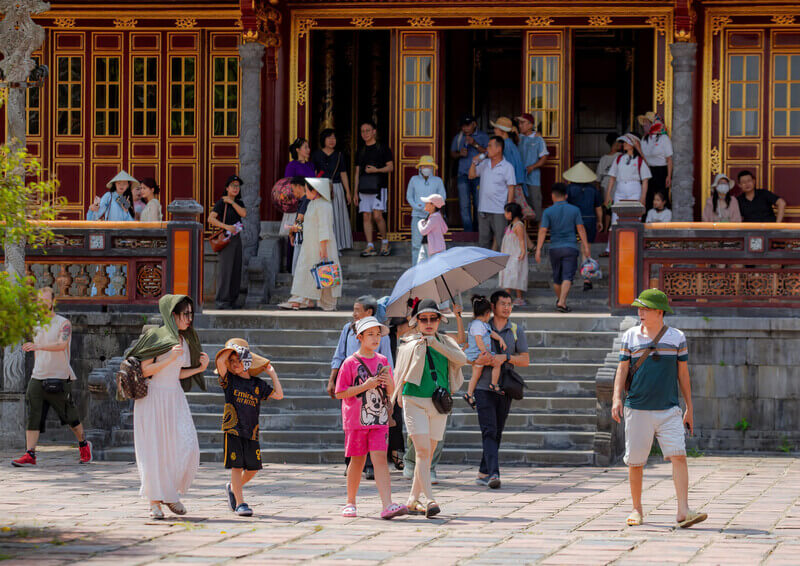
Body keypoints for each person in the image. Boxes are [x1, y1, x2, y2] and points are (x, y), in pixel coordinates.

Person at [611, 289, 708, 529]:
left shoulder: (677, 337)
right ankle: (636, 508)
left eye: (645, 308)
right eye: (639, 308)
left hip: (669, 409)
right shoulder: (630, 336)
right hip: (637, 408)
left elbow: (683, 374)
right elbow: (622, 369)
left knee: (679, 455)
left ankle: (683, 510)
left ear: (659, 311)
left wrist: (689, 407)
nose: (640, 312)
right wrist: (616, 398)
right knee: (635, 461)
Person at [126, 295, 209, 519]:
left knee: (186, 445)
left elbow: (179, 372)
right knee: (154, 450)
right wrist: (169, 358)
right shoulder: (156, 336)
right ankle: (155, 502)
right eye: (185, 314)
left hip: (175, 396)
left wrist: (199, 369)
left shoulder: (185, 339)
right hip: (153, 398)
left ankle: (170, 493)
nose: (189, 319)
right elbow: (144, 371)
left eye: (191, 314)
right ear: (173, 315)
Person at [393, 299, 467, 517]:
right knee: (423, 452)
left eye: (432, 319)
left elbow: (461, 359)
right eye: (423, 319)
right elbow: (400, 372)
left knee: (427, 454)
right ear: (416, 321)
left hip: (438, 403)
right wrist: (394, 397)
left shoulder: (445, 340)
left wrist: (435, 344)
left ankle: (412, 500)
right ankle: (430, 499)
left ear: (439, 320)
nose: (428, 323)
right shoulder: (409, 342)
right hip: (413, 399)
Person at [336, 316, 408, 520]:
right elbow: (340, 392)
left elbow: (391, 391)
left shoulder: (383, 361)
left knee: (380, 461)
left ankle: (387, 504)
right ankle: (350, 502)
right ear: (359, 337)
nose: (376, 338)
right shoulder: (349, 363)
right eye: (371, 334)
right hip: (355, 421)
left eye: (378, 334)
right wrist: (365, 386)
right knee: (357, 461)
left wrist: (388, 382)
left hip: (380, 420)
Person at [12, 288, 93, 468]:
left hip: (59, 376)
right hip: (38, 376)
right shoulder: (35, 323)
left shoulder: (63, 323)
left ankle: (83, 445)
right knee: (33, 415)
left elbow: (61, 344)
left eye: (45, 300)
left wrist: (38, 346)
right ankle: (30, 454)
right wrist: (37, 361)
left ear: (52, 301)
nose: (42, 304)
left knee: (70, 417)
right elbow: (35, 352)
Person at [328, 295, 396, 478]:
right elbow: (339, 355)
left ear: (369, 312)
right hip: (350, 384)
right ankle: (351, 463)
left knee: (373, 422)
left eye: (358, 310)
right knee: (354, 426)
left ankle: (371, 465)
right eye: (354, 309)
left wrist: (387, 385)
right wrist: (332, 378)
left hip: (375, 388)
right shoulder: (348, 329)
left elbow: (388, 362)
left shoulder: (381, 336)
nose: (354, 313)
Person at [216, 338, 283, 517]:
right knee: (236, 467)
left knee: (252, 469)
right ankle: (240, 503)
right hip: (233, 429)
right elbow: (220, 362)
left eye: (239, 360)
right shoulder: (228, 380)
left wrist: (272, 373)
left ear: (247, 361)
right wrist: (230, 350)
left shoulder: (257, 384)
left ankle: (232, 487)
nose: (235, 364)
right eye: (232, 361)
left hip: (252, 431)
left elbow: (279, 395)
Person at [474, 290, 529, 489]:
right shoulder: (481, 328)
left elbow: (525, 360)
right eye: (503, 304)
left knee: (497, 431)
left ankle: (483, 471)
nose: (507, 307)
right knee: (489, 430)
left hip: (504, 387)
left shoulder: (516, 330)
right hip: (482, 387)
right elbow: (470, 356)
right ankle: (494, 473)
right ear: (493, 306)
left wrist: (505, 358)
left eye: (509, 304)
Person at [280, 178, 341, 311]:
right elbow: (309, 224)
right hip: (310, 245)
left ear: (316, 191)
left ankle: (327, 303)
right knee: (306, 272)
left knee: (324, 273)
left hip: (320, 246)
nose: (305, 192)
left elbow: (324, 228)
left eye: (307, 190)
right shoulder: (313, 204)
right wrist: (295, 229)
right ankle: (299, 300)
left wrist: (323, 249)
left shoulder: (324, 206)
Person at [535, 183, 592, 313]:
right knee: (567, 276)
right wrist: (586, 246)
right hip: (570, 247)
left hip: (554, 247)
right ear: (566, 196)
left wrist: (538, 249)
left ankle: (561, 301)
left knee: (557, 277)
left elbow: (543, 230)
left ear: (552, 196)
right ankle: (562, 301)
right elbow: (580, 228)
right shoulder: (574, 210)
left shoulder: (548, 211)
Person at [603, 134, 651, 257]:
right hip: (620, 189)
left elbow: (645, 180)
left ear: (632, 145)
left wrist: (643, 197)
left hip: (635, 188)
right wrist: (608, 194)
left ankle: (635, 246)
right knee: (615, 218)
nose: (623, 145)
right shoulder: (619, 159)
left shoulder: (639, 160)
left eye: (625, 143)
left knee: (635, 218)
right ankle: (610, 248)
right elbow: (612, 178)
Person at [469, 136, 516, 250]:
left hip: (499, 210)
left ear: (498, 149)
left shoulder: (507, 167)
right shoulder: (485, 163)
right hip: (483, 209)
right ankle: (485, 267)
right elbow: (471, 175)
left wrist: (508, 208)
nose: (487, 148)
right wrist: (474, 163)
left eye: (490, 146)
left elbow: (511, 188)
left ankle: (505, 267)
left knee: (501, 240)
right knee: (483, 241)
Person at [355, 121, 394, 257]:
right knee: (366, 216)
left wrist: (376, 170)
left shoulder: (382, 148)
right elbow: (357, 172)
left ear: (374, 132)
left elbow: (390, 167)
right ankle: (370, 245)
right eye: (362, 131)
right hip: (363, 188)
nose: (365, 133)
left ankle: (385, 242)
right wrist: (355, 192)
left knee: (378, 216)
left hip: (379, 187)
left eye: (367, 130)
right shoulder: (360, 150)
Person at [208, 175, 247, 310]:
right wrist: (226, 226)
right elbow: (211, 219)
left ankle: (233, 299)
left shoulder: (239, 203)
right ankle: (222, 300)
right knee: (226, 270)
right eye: (233, 186)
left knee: (236, 268)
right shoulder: (221, 203)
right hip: (226, 238)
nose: (235, 188)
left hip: (236, 238)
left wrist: (232, 202)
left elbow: (243, 214)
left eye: (237, 186)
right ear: (227, 188)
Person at [462, 295, 506, 409]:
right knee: (497, 363)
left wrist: (500, 339)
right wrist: (485, 352)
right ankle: (494, 384)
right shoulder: (477, 325)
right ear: (487, 313)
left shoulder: (483, 325)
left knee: (476, 375)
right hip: (478, 354)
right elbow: (478, 339)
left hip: (479, 354)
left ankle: (469, 394)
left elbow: (491, 333)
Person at [312, 129, 353, 251]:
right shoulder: (316, 155)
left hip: (336, 187)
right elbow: (314, 173)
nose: (332, 140)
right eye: (329, 137)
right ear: (323, 139)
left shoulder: (339, 155)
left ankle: (338, 245)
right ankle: (324, 246)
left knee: (337, 216)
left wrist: (348, 192)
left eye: (334, 138)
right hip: (321, 188)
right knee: (324, 217)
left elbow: (343, 173)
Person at [450, 114, 489, 231]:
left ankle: (478, 231)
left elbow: (489, 153)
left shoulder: (483, 136)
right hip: (462, 175)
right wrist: (459, 154)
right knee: (464, 205)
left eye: (467, 126)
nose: (465, 129)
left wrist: (474, 144)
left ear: (474, 124)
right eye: (463, 126)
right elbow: (452, 153)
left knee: (478, 204)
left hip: (478, 176)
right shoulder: (458, 137)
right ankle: (468, 233)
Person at [407, 155, 447, 263]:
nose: (427, 168)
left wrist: (433, 207)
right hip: (417, 215)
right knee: (416, 245)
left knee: (433, 246)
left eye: (429, 166)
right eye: (424, 166)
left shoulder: (437, 180)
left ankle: (431, 271)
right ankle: (415, 271)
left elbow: (442, 196)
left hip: (432, 218)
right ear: (420, 167)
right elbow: (409, 196)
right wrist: (417, 206)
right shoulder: (414, 180)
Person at [491, 117, 531, 221]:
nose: (494, 130)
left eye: (496, 128)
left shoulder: (506, 146)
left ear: (502, 131)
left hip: (511, 185)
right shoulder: (510, 144)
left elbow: (508, 167)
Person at [517, 113, 549, 222]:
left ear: (531, 125)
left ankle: (539, 235)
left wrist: (533, 167)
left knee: (536, 206)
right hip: (519, 179)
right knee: (519, 208)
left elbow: (544, 158)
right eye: (519, 123)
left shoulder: (538, 139)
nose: (520, 125)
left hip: (533, 179)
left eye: (523, 123)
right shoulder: (517, 138)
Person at [638, 112, 673, 210]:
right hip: (648, 170)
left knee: (661, 196)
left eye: (647, 122)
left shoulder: (664, 138)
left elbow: (669, 159)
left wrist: (669, 176)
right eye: (644, 122)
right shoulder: (644, 139)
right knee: (649, 195)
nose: (644, 125)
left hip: (661, 170)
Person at [564, 162, 604, 244]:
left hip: (573, 219)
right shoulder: (593, 189)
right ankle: (585, 256)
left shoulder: (569, 189)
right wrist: (600, 221)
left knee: (571, 242)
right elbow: (598, 207)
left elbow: (564, 205)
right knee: (587, 242)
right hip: (590, 219)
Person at [498, 202, 528, 305]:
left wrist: (523, 251)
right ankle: (507, 298)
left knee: (516, 274)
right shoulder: (511, 225)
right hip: (508, 254)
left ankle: (519, 298)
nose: (505, 215)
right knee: (508, 275)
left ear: (511, 213)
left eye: (506, 212)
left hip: (515, 254)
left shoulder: (518, 225)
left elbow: (521, 240)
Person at [597, 133, 622, 233]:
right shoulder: (619, 157)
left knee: (609, 207)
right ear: (615, 143)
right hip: (612, 184)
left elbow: (598, 178)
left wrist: (599, 188)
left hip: (607, 184)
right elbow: (598, 177)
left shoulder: (606, 158)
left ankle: (607, 229)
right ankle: (608, 228)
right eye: (620, 143)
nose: (621, 145)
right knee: (610, 207)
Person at [286, 176, 310, 275]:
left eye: (293, 189)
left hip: (303, 239)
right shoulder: (306, 200)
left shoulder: (306, 200)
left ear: (299, 187)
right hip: (303, 238)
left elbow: (299, 220)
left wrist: (291, 232)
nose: (292, 192)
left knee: (298, 272)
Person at [416, 194, 448, 264]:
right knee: (422, 267)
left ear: (433, 205)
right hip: (430, 246)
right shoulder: (436, 216)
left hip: (433, 248)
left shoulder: (435, 217)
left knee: (428, 269)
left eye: (427, 203)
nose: (425, 204)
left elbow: (424, 231)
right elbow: (445, 229)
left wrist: (419, 223)